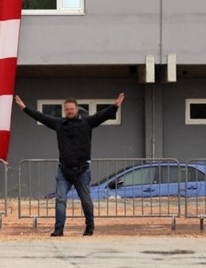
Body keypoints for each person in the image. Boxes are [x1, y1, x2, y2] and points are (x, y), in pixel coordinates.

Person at [14, 92, 125, 237]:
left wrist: (115, 106)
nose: (69, 111)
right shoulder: (59, 124)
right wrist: (24, 108)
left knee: (86, 200)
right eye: (67, 109)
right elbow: (42, 117)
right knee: (60, 199)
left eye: (71, 109)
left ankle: (89, 227)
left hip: (82, 170)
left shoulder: (87, 122)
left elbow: (101, 115)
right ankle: (59, 229)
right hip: (64, 171)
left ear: (77, 109)